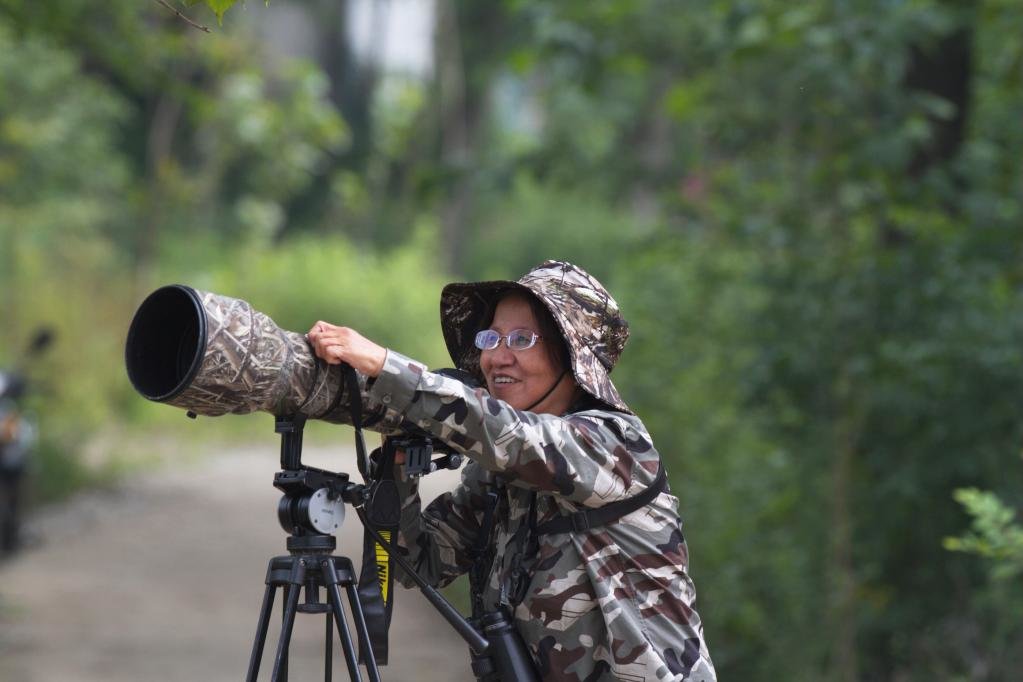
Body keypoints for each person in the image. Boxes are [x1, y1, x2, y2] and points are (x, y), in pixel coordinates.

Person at [307, 260, 716, 682]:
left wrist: (386, 368)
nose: (498, 357)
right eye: (491, 337)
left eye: (522, 339)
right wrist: (398, 470)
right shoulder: (496, 476)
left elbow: (515, 437)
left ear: (571, 354)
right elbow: (423, 562)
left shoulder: (615, 445)